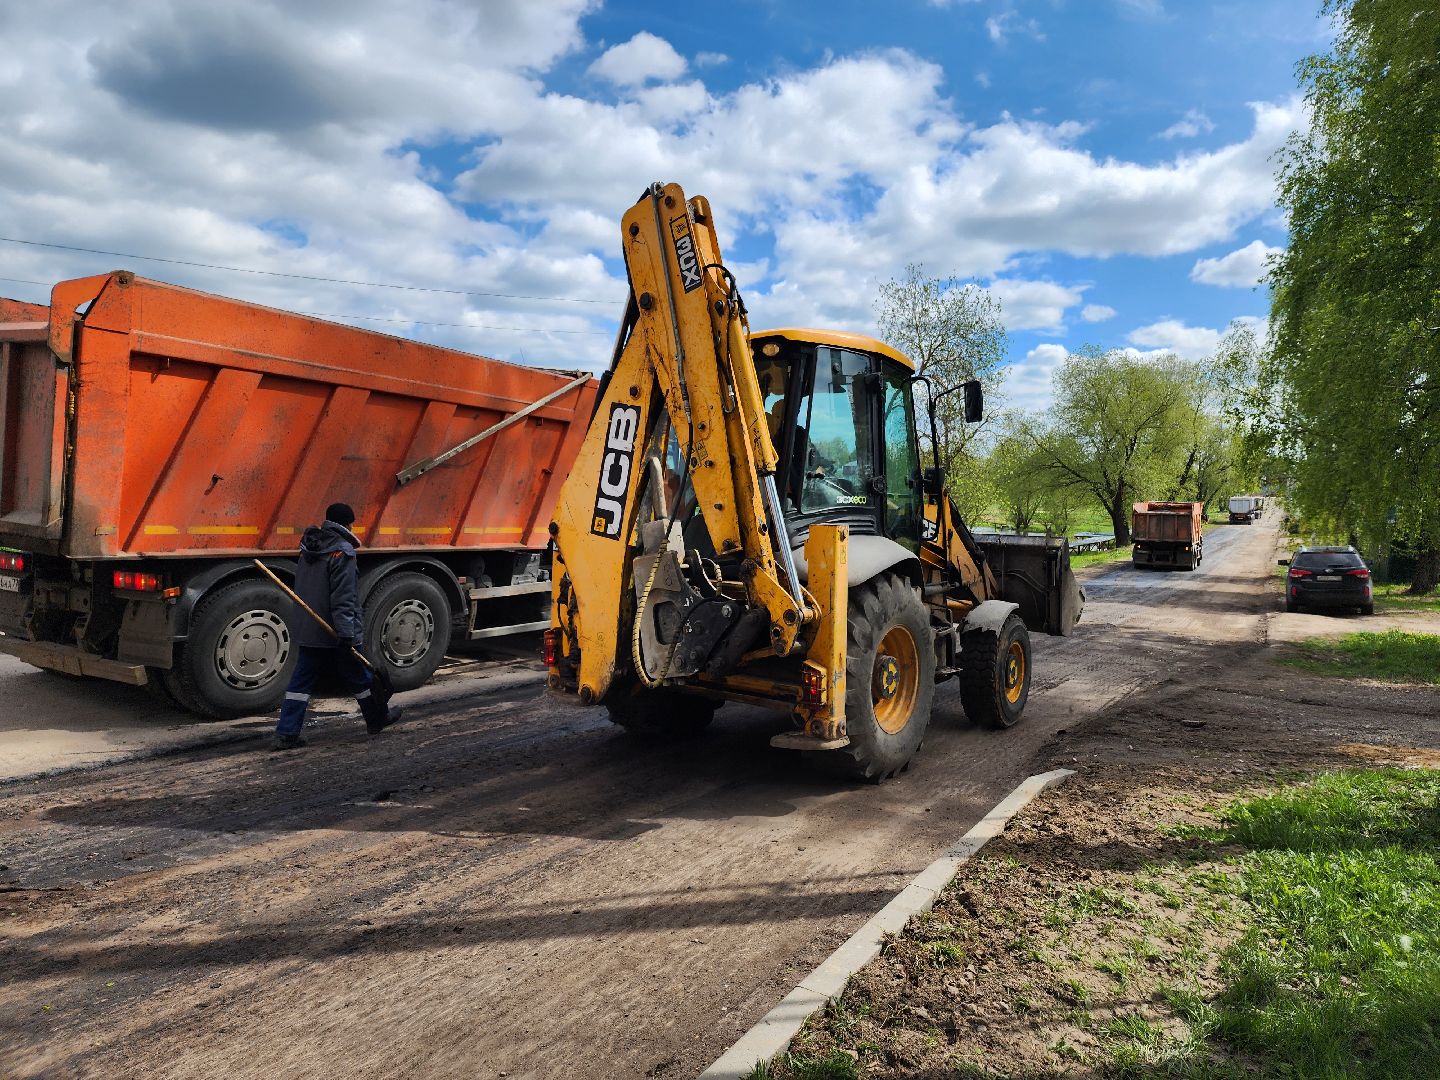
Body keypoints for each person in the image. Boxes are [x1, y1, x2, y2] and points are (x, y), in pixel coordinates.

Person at [272, 502, 403, 750]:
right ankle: (377, 718)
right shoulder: (341, 552)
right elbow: (344, 598)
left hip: (310, 628)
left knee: (301, 682)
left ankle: (286, 733)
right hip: (333, 632)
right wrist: (347, 633)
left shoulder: (310, 548)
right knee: (360, 677)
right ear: (348, 524)